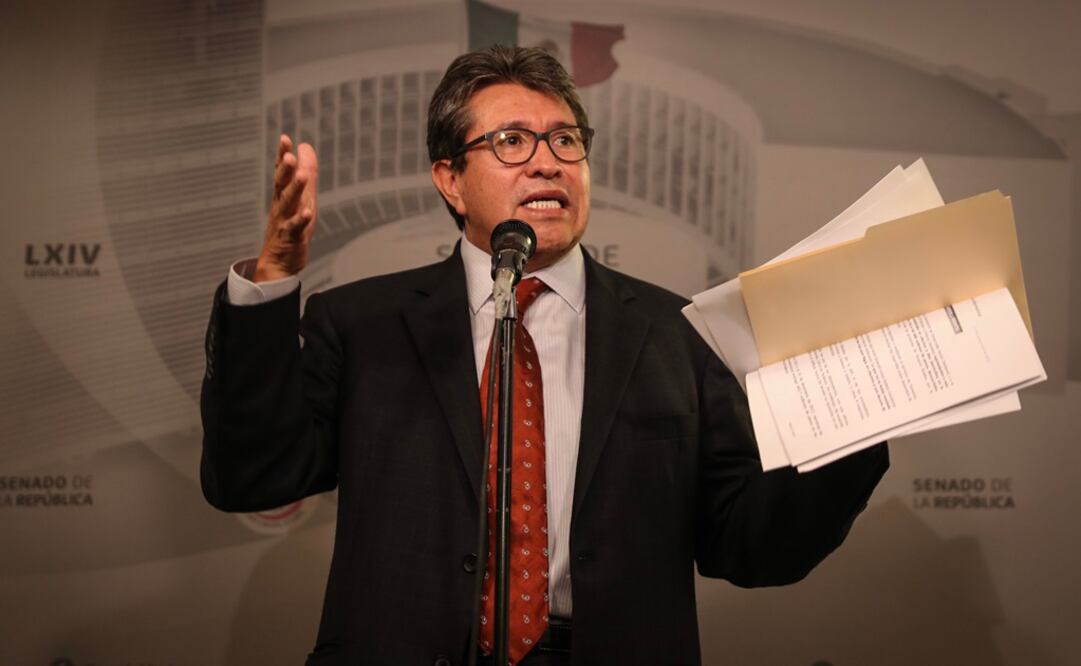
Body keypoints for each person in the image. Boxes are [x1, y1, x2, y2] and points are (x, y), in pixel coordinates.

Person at [201, 45, 888, 666]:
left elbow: (751, 542)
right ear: (449, 179)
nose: (547, 160)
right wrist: (272, 283)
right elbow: (252, 477)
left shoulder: (673, 331)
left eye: (565, 139)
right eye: (510, 141)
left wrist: (861, 420)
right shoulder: (361, 325)